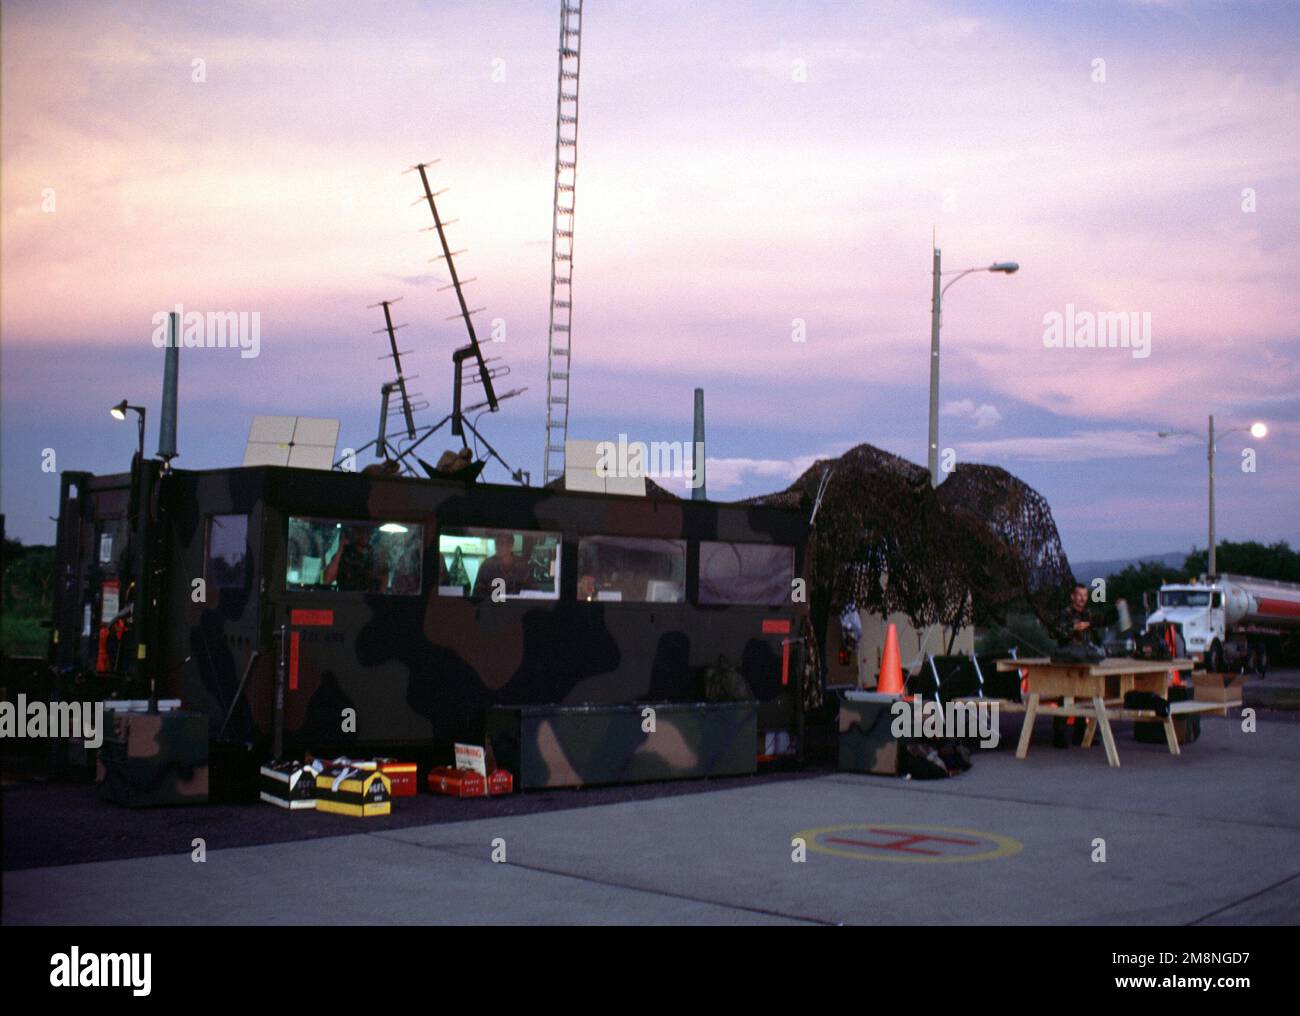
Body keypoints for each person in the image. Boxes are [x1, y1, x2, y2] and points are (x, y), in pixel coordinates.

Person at [1051, 582, 1097, 747]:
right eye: (1079, 595)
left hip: (1084, 658)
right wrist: (1073, 628)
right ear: (1073, 596)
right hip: (1067, 659)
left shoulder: (1088, 613)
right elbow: (1055, 632)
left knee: (1084, 695)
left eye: (1085, 596)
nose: (1082, 599)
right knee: (1066, 696)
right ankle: (1059, 735)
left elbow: (1092, 634)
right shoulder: (1065, 613)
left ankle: (1082, 733)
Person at [322, 527, 387, 592]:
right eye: (359, 531)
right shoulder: (344, 554)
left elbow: (382, 587)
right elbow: (327, 579)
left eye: (367, 531)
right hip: (345, 598)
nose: (363, 534)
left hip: (368, 599)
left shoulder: (375, 555)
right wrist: (341, 547)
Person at [472, 532, 533, 598]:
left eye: (502, 543)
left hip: (517, 606)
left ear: (510, 546)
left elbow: (532, 592)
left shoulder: (522, 565)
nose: (498, 547)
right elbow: (477, 594)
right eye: (496, 543)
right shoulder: (487, 565)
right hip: (493, 606)